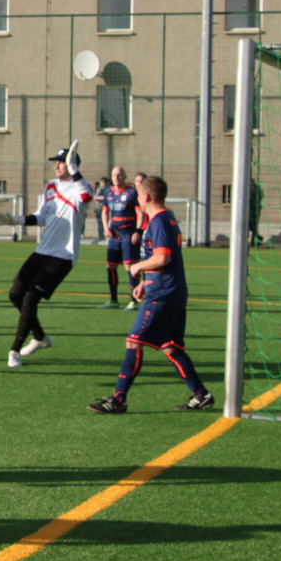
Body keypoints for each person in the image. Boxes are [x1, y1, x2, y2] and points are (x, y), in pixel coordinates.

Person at [88, 175, 214, 414]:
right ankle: (202, 395)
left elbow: (163, 257)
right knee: (170, 346)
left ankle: (118, 400)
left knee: (134, 342)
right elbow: (164, 259)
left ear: (146, 196)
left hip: (163, 295)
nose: (137, 197)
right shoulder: (162, 219)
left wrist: (137, 267)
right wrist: (145, 282)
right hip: (167, 290)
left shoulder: (160, 221)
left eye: (138, 193)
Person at [0, 141, 92, 367]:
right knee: (15, 294)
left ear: (72, 165)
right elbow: (41, 217)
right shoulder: (51, 186)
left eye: (61, 162)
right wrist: (18, 220)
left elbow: (86, 197)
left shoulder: (81, 186)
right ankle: (40, 337)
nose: (56, 166)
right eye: (56, 162)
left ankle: (14, 351)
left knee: (30, 298)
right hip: (43, 250)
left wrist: (74, 168)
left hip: (64, 255)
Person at [98, 167, 142, 311]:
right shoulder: (108, 192)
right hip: (114, 236)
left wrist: (138, 231)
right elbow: (105, 212)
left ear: (124, 176)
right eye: (114, 175)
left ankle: (134, 301)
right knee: (110, 267)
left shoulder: (131, 192)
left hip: (128, 235)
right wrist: (105, 227)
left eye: (119, 175)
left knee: (130, 267)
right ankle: (113, 300)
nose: (116, 177)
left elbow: (140, 213)